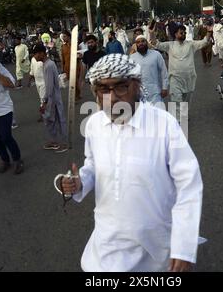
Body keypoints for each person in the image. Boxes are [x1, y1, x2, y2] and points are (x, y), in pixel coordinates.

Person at [58, 54, 203, 272]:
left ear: (136, 86)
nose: (113, 97)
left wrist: (183, 246)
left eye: (121, 87)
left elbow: (189, 186)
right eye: (104, 90)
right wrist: (78, 183)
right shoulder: (94, 125)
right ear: (96, 94)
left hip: (155, 248)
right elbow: (93, 166)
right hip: (108, 242)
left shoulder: (164, 124)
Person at [154, 25, 212, 121]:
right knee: (176, 100)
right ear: (176, 34)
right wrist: (152, 33)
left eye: (185, 32)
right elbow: (156, 44)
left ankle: (183, 115)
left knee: (186, 100)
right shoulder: (170, 45)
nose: (184, 34)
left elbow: (204, 42)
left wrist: (209, 32)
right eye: (181, 32)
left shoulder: (190, 44)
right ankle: (177, 123)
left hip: (189, 78)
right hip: (175, 78)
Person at [32, 44, 68, 152]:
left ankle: (64, 144)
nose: (34, 56)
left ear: (42, 53)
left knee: (58, 120)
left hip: (53, 99)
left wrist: (44, 102)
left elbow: (49, 86)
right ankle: (54, 142)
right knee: (50, 120)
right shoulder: (47, 64)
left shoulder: (48, 66)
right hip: (53, 98)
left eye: (36, 54)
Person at [130, 35, 168, 104]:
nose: (140, 43)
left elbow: (163, 71)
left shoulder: (156, 54)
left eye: (143, 41)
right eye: (138, 42)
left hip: (155, 92)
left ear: (147, 42)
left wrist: (164, 87)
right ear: (136, 45)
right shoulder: (132, 58)